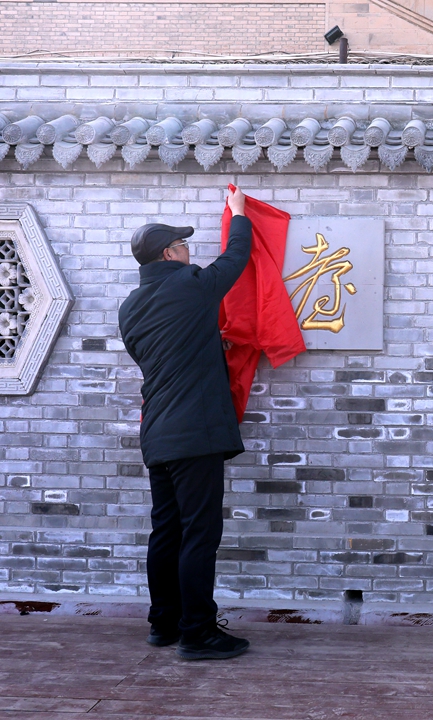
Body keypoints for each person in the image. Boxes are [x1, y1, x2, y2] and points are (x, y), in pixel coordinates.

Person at [118, 186, 252, 661]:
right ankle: (197, 632)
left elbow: (162, 355)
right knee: (199, 533)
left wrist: (208, 343)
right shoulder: (191, 285)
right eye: (183, 245)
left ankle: (164, 624)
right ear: (169, 254)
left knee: (166, 532)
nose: (189, 251)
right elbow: (236, 259)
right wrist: (239, 213)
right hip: (194, 433)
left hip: (157, 432)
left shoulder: (130, 307)